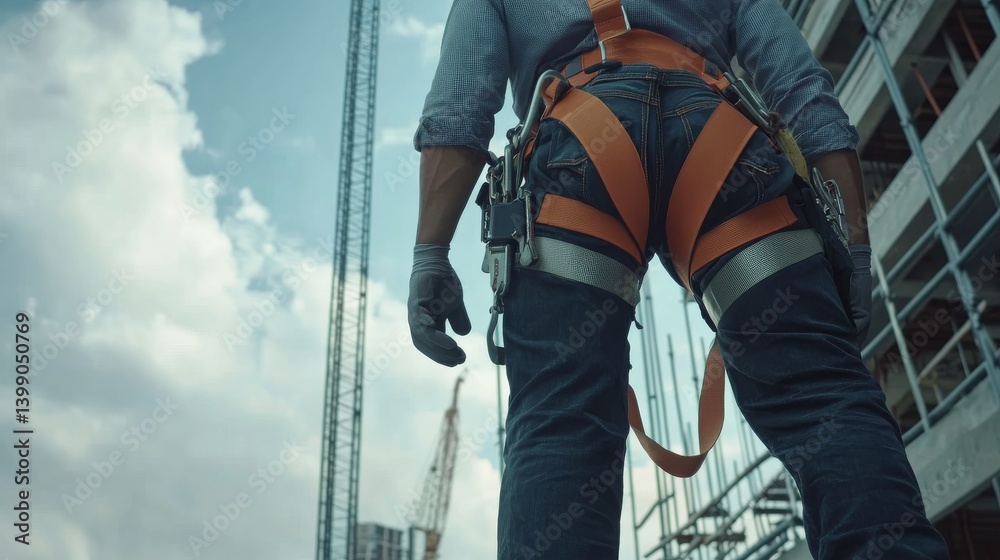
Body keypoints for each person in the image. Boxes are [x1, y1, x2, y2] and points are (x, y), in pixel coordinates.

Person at [406, 1, 952, 559]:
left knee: (561, 424)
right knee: (824, 399)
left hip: (580, 137)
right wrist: (853, 250)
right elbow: (802, 89)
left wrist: (431, 252)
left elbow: (461, 104)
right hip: (721, 141)